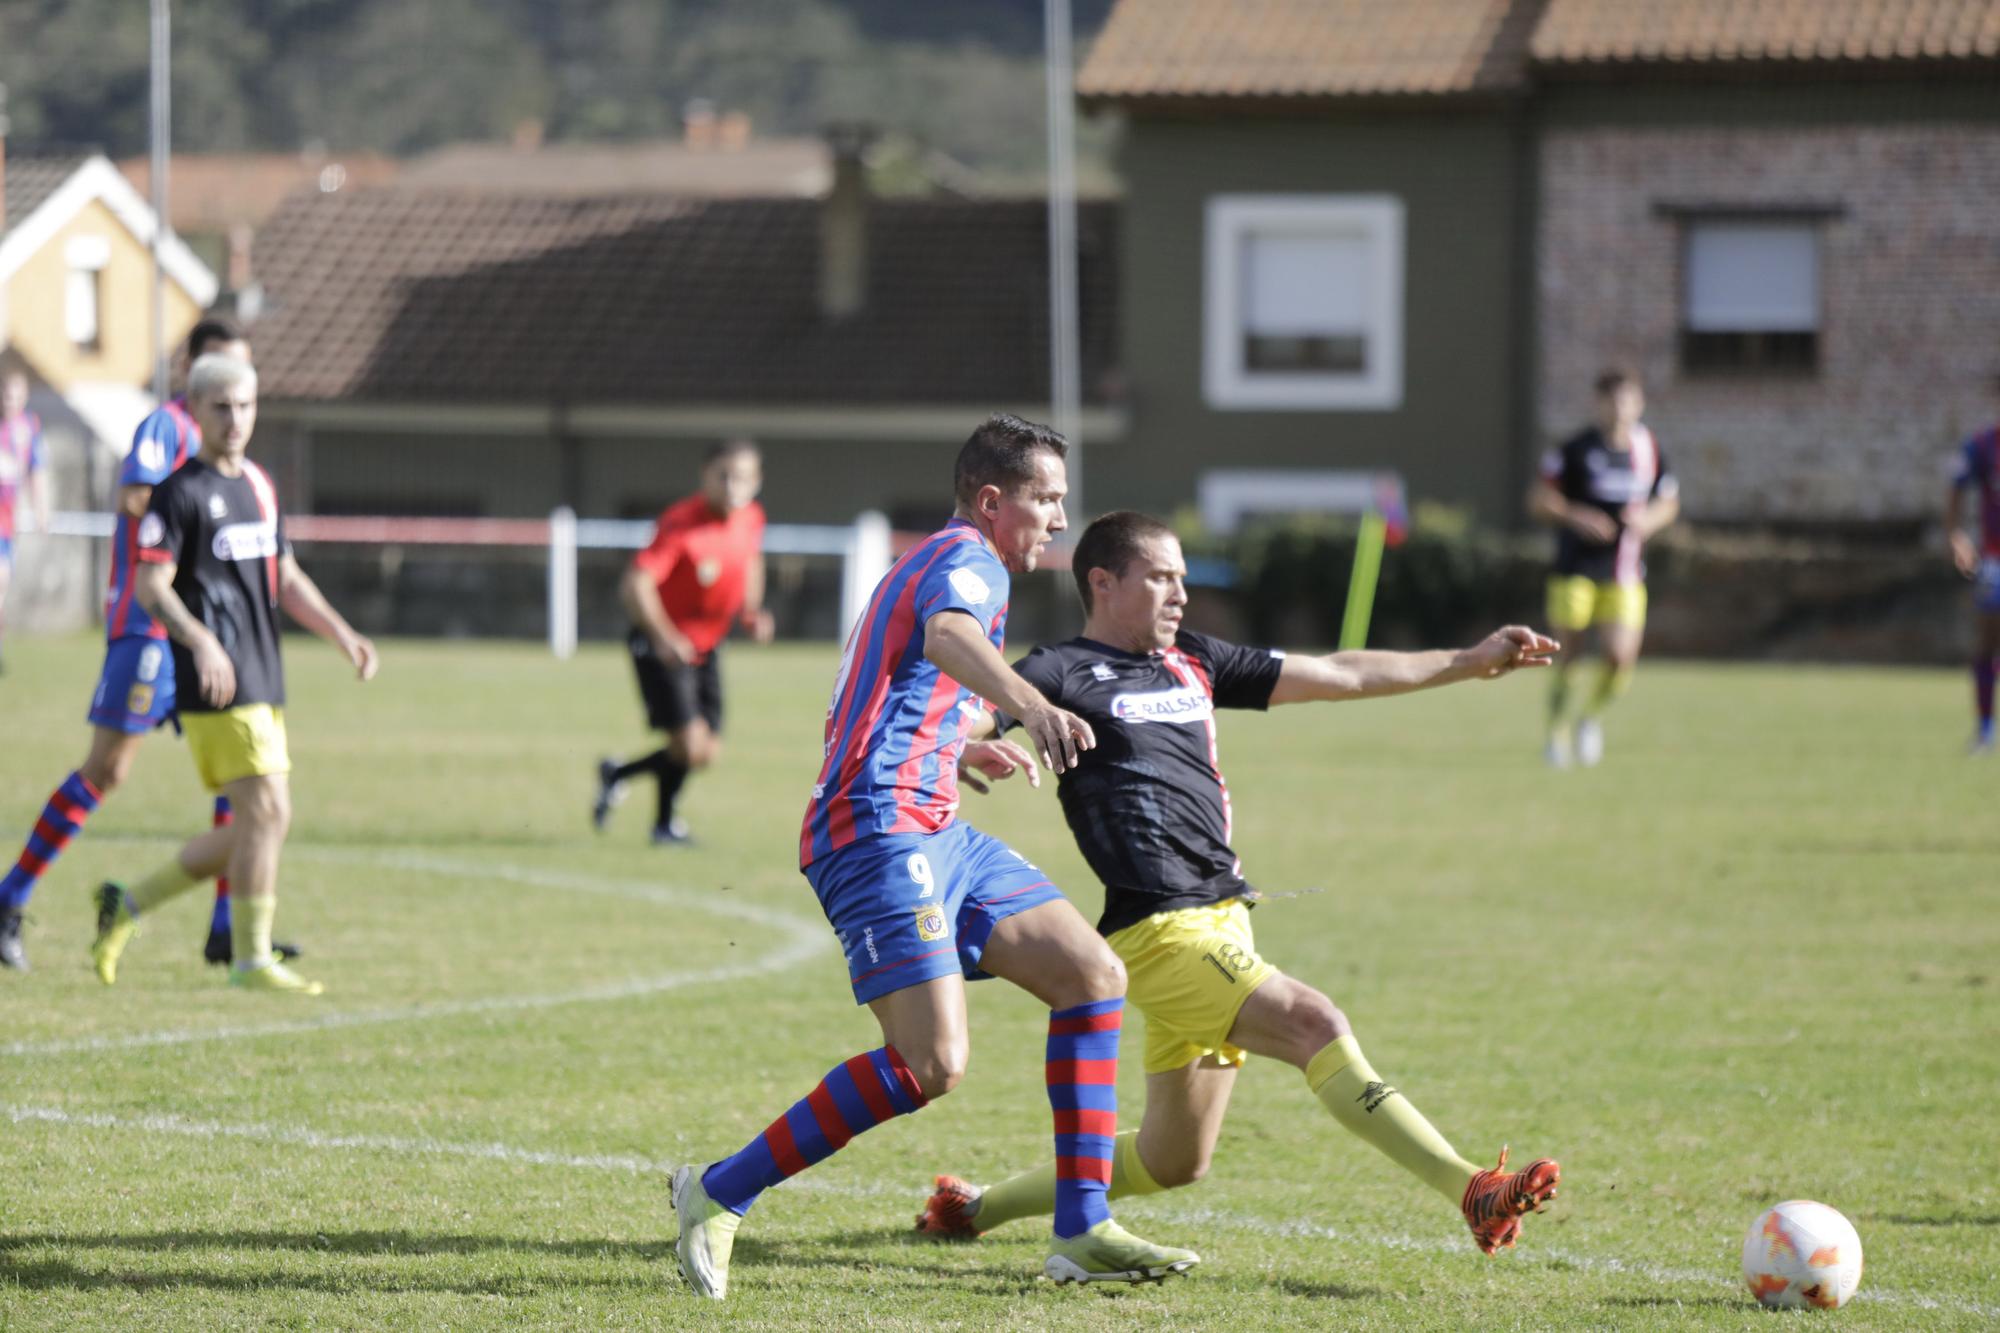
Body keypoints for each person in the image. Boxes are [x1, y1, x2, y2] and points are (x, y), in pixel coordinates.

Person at [912, 511, 1565, 1261]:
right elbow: (959, 716)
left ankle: (975, 1208)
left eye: (1183, 578)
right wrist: (963, 748)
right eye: (1161, 577)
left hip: (1225, 925)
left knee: (1174, 1159)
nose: (1180, 593)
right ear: (1102, 581)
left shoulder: (1194, 659)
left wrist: (1467, 659)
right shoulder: (1059, 670)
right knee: (1315, 1021)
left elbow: (1341, 672)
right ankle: (1469, 1187)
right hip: (1159, 933)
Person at [670, 415, 1197, 1300]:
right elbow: (949, 635)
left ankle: (1081, 1225)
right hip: (875, 830)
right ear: (992, 502)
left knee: (1092, 974)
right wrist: (1028, 704)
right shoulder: (970, 562)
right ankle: (716, 1193)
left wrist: (956, 745)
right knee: (932, 1063)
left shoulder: (942, 561)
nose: (1059, 522)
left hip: (934, 823)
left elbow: (897, 680)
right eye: (1047, 501)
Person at [0, 320, 296, 972]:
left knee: (241, 775)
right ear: (194, 373)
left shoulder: (234, 451)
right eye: (221, 375)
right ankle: (10, 896)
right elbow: (139, 494)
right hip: (152, 629)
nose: (234, 395)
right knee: (108, 769)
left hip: (209, 637)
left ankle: (228, 925)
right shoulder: (168, 427)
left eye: (244, 381)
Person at [89, 353, 377, 993]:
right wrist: (200, 642)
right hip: (216, 681)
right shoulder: (178, 493)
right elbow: (149, 586)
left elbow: (287, 578)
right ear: (193, 411)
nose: (236, 419)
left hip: (262, 672)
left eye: (245, 406)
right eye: (221, 406)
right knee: (268, 808)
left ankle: (128, 904)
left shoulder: (260, 486)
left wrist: (341, 634)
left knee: (261, 821)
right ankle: (249, 960)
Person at [593, 438, 773, 844]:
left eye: (742, 477)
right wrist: (664, 637)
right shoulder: (681, 522)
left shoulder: (751, 518)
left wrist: (751, 611)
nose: (732, 486)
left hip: (707, 646)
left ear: (757, 481)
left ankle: (620, 778)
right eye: (723, 475)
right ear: (705, 476)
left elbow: (751, 561)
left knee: (705, 750)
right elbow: (635, 583)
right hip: (662, 645)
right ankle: (664, 824)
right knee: (690, 745)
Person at [1528, 365, 1679, 767]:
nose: (1619, 408)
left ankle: (1589, 718)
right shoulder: (1574, 450)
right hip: (1574, 569)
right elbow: (1539, 499)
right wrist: (1576, 515)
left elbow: (1668, 502)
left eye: (1626, 400)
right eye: (1611, 400)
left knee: (1619, 658)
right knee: (1569, 655)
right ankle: (1556, 729)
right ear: (1597, 404)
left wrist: (1648, 521)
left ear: (1639, 403)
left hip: (1625, 571)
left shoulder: (1649, 450)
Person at [1945, 380, 2000, 752]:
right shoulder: (1984, 446)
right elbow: (1955, 488)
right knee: (1987, 643)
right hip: (1995, 562)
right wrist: (1958, 536)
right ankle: (1984, 730)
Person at [0, 362, 51, 677]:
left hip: (7, 526)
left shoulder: (28, 428)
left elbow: (37, 471)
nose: (10, 400)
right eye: (6, 394)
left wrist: (41, 510)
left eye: (16, 394)